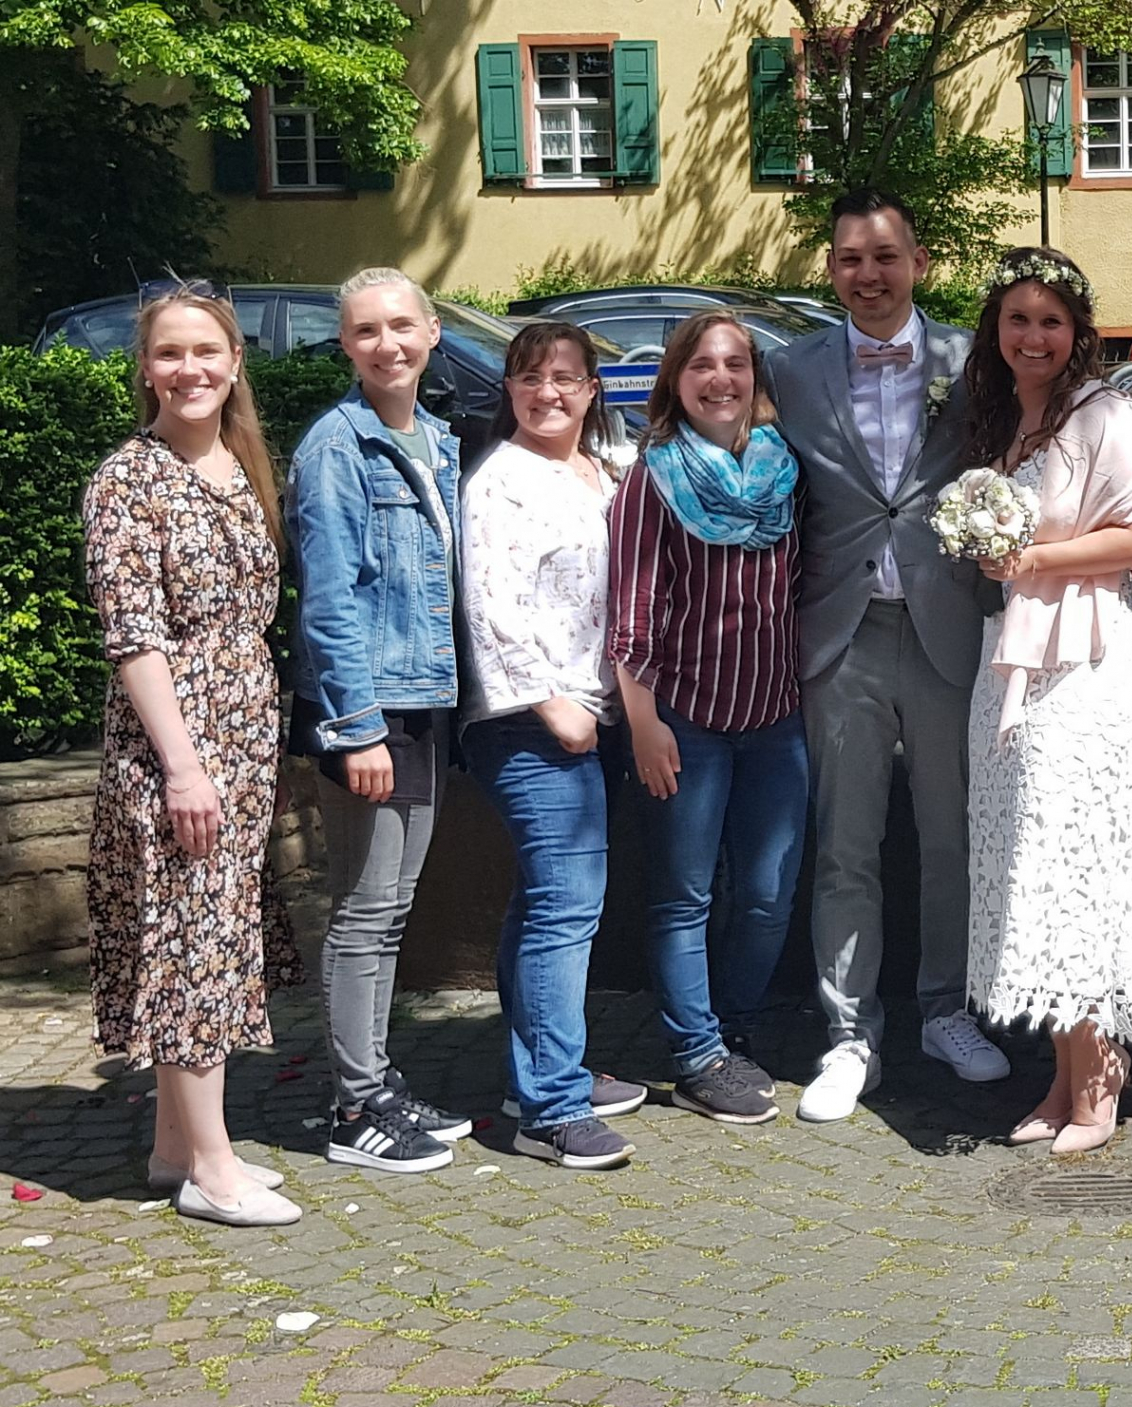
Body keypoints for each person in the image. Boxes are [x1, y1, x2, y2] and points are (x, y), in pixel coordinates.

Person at [765, 188, 1010, 1123]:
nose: (867, 275)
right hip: (842, 630)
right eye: (850, 259)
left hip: (949, 623)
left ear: (919, 263)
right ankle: (848, 1032)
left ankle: (947, 1009)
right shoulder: (789, 368)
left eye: (884, 257)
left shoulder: (970, 360)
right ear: (831, 269)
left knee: (952, 835)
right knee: (846, 841)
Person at [82, 286, 302, 1226]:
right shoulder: (125, 480)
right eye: (170, 353)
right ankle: (213, 1169)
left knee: (210, 929)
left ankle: (175, 1146)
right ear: (145, 369)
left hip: (244, 732)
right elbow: (134, 637)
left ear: (235, 360)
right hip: (178, 738)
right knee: (192, 943)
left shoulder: (241, 465)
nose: (190, 369)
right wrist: (181, 765)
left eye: (206, 351)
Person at [959, 249, 1132, 1155]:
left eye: (1051, 321)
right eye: (1018, 319)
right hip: (1015, 655)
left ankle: (1100, 1080)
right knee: (1029, 863)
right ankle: (1062, 1071)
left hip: (1084, 662)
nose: (1033, 336)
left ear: (1078, 331)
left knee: (1075, 857)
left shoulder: (1102, 413)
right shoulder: (1009, 416)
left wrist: (1034, 559)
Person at [286, 268, 471, 1173]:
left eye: (402, 325)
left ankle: (377, 1081)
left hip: (424, 700)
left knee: (393, 908)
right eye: (366, 331)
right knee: (364, 909)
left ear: (432, 332)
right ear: (346, 346)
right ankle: (354, 1107)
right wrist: (357, 728)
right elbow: (328, 604)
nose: (387, 344)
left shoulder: (436, 439)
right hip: (371, 710)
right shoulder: (336, 446)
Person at [608, 312, 804, 1126]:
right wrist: (643, 723)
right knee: (683, 895)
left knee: (767, 893)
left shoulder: (784, 470)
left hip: (775, 716)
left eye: (735, 364)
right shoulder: (652, 478)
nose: (721, 379)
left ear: (754, 376)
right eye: (702, 366)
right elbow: (629, 612)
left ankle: (731, 1026)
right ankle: (695, 1053)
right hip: (685, 719)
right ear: (675, 380)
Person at [460, 321, 646, 1169]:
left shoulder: (606, 470)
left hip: (597, 710)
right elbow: (491, 605)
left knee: (545, 901)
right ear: (509, 389)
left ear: (591, 388)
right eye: (530, 377)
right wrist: (548, 703)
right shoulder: (500, 481)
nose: (548, 392)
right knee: (565, 906)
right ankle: (550, 1108)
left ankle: (535, 1073)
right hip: (532, 723)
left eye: (566, 377)